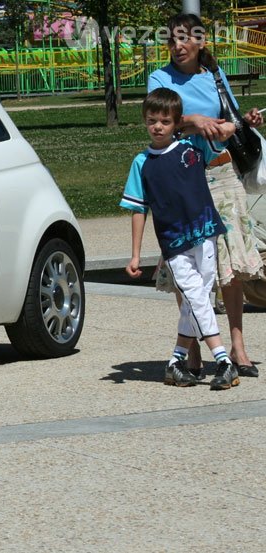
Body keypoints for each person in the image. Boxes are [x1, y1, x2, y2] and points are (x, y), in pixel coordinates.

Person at [148, 13, 265, 379]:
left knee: (230, 266)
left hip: (221, 170)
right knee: (188, 265)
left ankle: (237, 345)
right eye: (172, 40)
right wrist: (191, 121)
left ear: (200, 42)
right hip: (183, 178)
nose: (178, 46)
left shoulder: (213, 75)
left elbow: (229, 119)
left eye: (185, 39)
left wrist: (244, 120)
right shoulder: (159, 79)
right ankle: (194, 347)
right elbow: (157, 118)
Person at [121, 88, 238, 390]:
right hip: (174, 244)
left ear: (177, 122)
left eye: (165, 121)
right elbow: (138, 209)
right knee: (196, 296)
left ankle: (176, 362)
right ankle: (224, 360)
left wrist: (235, 122)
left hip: (205, 233)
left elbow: (225, 132)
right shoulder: (141, 162)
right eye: (151, 121)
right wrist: (135, 255)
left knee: (197, 297)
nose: (157, 127)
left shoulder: (193, 147)